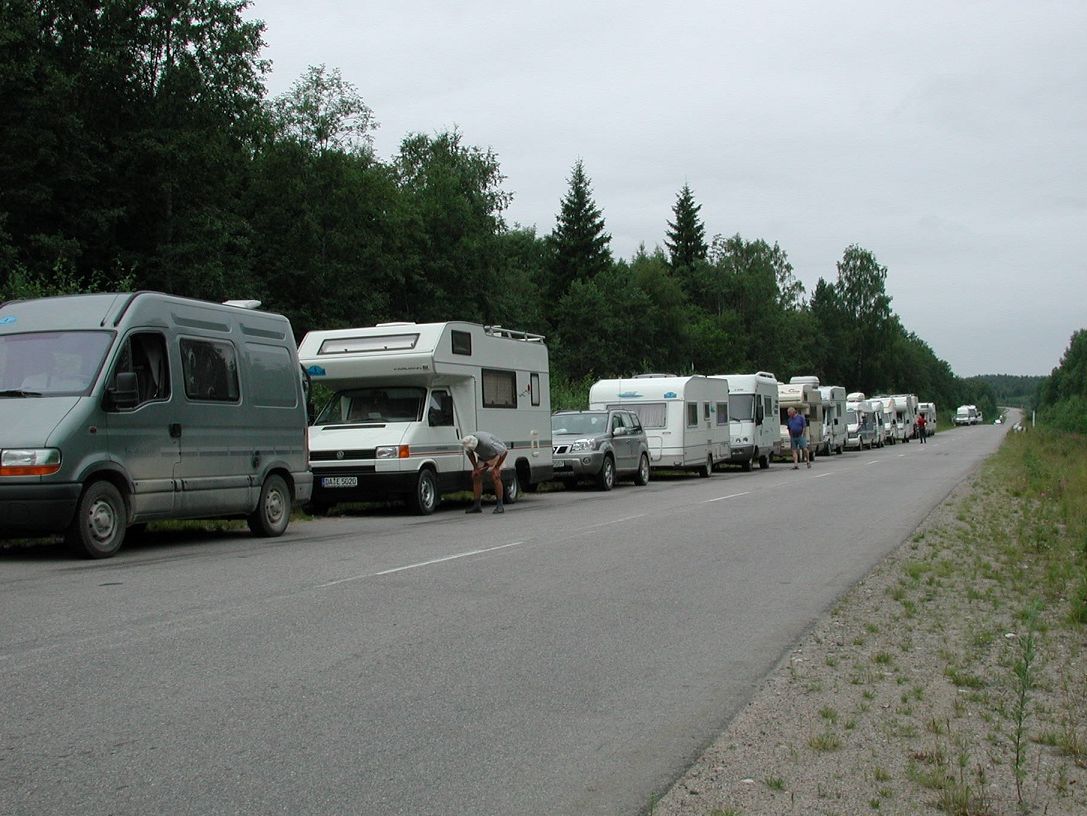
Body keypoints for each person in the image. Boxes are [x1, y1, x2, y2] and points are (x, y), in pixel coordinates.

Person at [461, 432, 509, 514]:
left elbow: (504, 452)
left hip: (496, 456)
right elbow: (470, 454)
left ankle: (500, 505)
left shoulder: (488, 443)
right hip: (483, 457)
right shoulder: (467, 441)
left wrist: (496, 467)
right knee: (476, 476)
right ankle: (477, 505)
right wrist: (475, 468)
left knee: (495, 476)